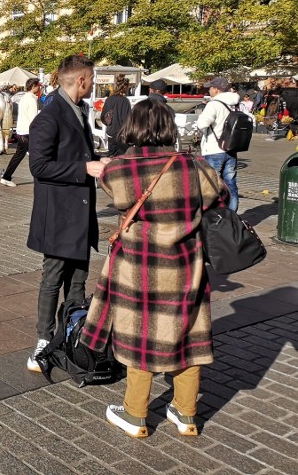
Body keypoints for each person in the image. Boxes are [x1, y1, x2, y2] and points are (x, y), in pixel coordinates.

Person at [81, 99, 224, 438]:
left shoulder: (120, 169)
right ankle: (186, 415)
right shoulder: (195, 166)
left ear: (134, 127)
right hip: (187, 266)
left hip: (139, 267)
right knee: (188, 339)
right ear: (168, 128)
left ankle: (135, 415)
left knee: (140, 337)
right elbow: (221, 197)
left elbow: (112, 191)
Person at [26, 54, 108, 371]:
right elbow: (39, 166)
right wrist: (85, 167)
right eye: (92, 79)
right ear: (81, 80)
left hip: (80, 212)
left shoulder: (79, 109)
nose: (93, 84)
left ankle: (73, 334)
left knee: (78, 279)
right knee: (53, 277)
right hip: (59, 215)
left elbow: (80, 153)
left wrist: (100, 161)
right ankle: (43, 342)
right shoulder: (49, 116)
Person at [194, 76, 241, 212]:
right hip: (231, 148)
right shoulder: (235, 103)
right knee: (230, 183)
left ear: (217, 89)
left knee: (212, 184)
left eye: (210, 88)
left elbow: (202, 124)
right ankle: (232, 214)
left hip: (214, 149)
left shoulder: (214, 104)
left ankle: (214, 214)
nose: (209, 90)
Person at [0, 78, 41, 187]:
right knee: (36, 155)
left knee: (19, 155)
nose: (39, 88)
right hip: (28, 132)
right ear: (33, 87)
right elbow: (34, 119)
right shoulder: (31, 100)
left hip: (22, 130)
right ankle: (41, 179)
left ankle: (6, 177)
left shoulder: (24, 98)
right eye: (38, 86)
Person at [101, 74, 132, 157]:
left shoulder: (109, 99)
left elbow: (103, 117)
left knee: (111, 159)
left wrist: (109, 124)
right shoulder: (125, 101)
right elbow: (127, 120)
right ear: (125, 87)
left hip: (111, 134)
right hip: (121, 135)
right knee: (123, 160)